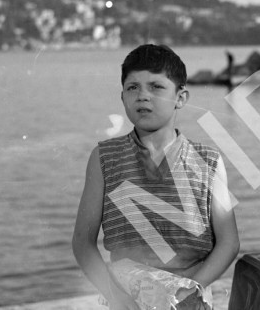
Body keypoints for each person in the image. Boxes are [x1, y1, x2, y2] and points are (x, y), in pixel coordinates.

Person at [72, 44, 239, 310]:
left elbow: (228, 243)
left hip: (189, 298)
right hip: (125, 298)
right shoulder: (104, 158)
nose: (143, 96)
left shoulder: (208, 161)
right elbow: (83, 242)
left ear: (181, 97)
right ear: (123, 97)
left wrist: (186, 292)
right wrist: (118, 298)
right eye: (133, 87)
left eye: (156, 87)